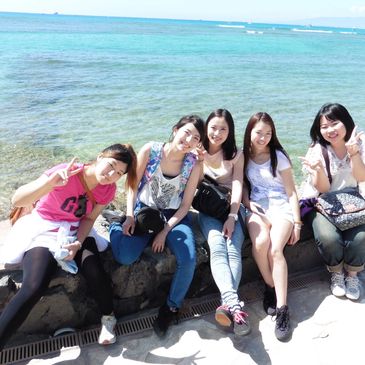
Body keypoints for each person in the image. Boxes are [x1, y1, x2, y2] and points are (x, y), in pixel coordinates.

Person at [0, 144, 137, 350]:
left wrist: (78, 243)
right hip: (44, 230)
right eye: (110, 165)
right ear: (100, 157)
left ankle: (109, 319)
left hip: (75, 230)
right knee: (34, 286)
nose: (111, 174)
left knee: (94, 269)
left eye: (119, 173)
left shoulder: (107, 189)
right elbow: (17, 199)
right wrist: (49, 184)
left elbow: (89, 218)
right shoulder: (67, 171)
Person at [109, 115, 204, 338]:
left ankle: (171, 307)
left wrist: (165, 231)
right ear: (175, 129)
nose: (189, 140)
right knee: (126, 256)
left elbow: (186, 206)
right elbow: (132, 185)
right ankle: (115, 223)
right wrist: (130, 215)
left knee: (188, 258)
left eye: (196, 138)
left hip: (173, 216)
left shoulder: (193, 164)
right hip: (144, 213)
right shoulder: (151, 150)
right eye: (186, 132)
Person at [242, 112, 301, 342]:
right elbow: (242, 185)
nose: (263, 137)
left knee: (276, 249)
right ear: (250, 132)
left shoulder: (279, 157)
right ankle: (270, 286)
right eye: (258, 132)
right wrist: (248, 203)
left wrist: (297, 223)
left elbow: (292, 192)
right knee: (260, 242)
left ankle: (283, 309)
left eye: (268, 133)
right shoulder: (243, 156)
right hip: (257, 207)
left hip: (281, 207)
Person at [300, 103, 365, 301]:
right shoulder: (318, 150)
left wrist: (353, 153)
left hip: (353, 201)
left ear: (346, 122)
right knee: (328, 237)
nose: (329, 130)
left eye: (334, 124)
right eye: (324, 126)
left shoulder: (360, 144)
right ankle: (336, 273)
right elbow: (323, 189)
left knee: (361, 237)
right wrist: (318, 169)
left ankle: (352, 274)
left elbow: (361, 177)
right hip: (323, 203)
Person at [196, 109, 249, 336]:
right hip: (208, 209)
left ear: (230, 131)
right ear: (206, 128)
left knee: (233, 249)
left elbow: (238, 185)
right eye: (213, 128)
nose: (217, 133)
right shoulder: (197, 152)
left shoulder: (236, 154)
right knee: (217, 248)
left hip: (232, 208)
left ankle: (228, 305)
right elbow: (193, 184)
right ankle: (234, 307)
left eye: (223, 129)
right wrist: (197, 161)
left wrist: (233, 216)